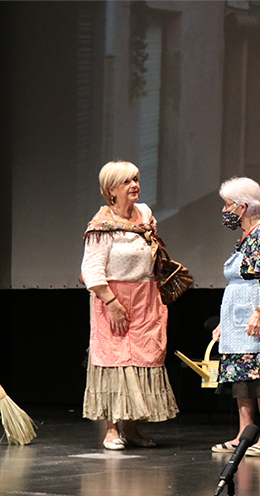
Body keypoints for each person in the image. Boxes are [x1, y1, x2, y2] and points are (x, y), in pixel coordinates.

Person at [81, 160, 178, 450]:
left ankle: (132, 428)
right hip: (113, 298)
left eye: (136, 179)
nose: (135, 185)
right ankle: (112, 430)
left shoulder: (145, 214)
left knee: (142, 360)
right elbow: (92, 270)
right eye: (127, 181)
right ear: (111, 190)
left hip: (146, 297)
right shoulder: (101, 226)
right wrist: (112, 303)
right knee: (114, 361)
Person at [211, 177, 260, 457]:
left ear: (242, 207)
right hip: (238, 314)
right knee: (240, 374)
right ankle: (244, 436)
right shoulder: (244, 236)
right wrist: (225, 323)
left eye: (227, 205)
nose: (225, 211)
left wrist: (259, 314)